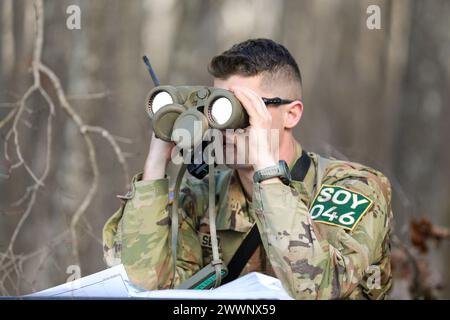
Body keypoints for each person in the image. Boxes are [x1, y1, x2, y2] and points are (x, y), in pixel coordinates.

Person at [102, 38, 393, 299]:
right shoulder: (202, 194)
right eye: (217, 107)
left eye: (237, 109)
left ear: (291, 114)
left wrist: (265, 169)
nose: (223, 128)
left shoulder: (351, 187)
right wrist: (155, 167)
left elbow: (318, 288)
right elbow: (144, 287)